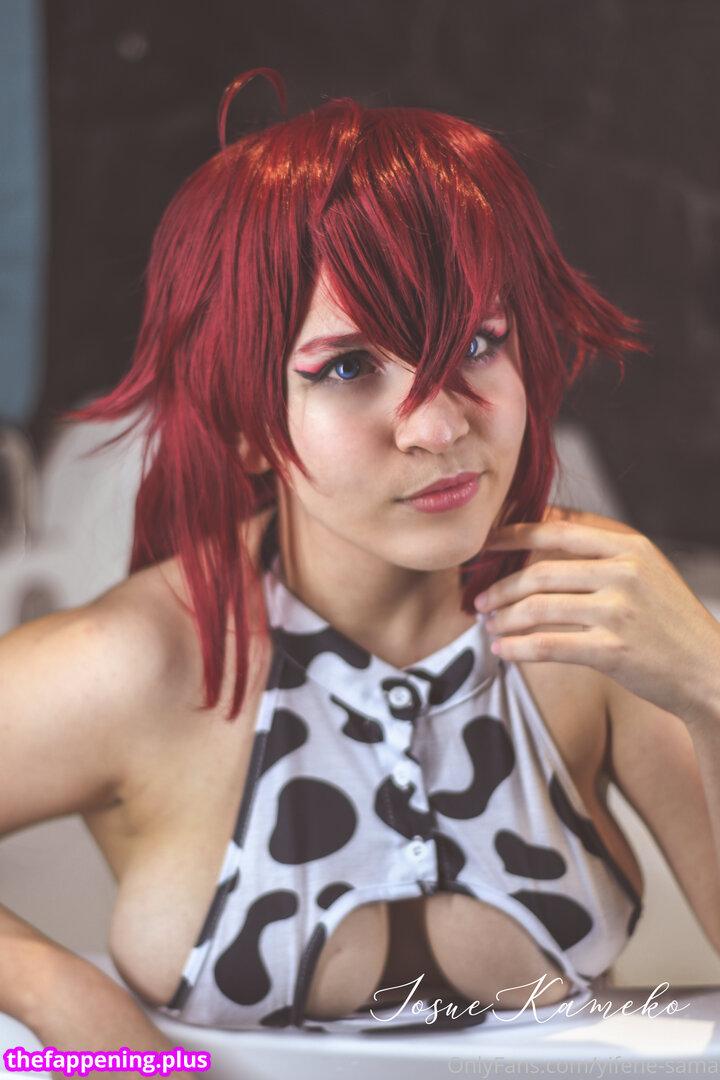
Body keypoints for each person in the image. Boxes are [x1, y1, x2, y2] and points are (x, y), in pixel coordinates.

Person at [2, 66, 720, 1062]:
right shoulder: (144, 663)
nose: (438, 426)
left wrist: (707, 680)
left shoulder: (597, 627)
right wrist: (60, 998)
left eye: (477, 343)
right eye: (347, 366)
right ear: (246, 423)